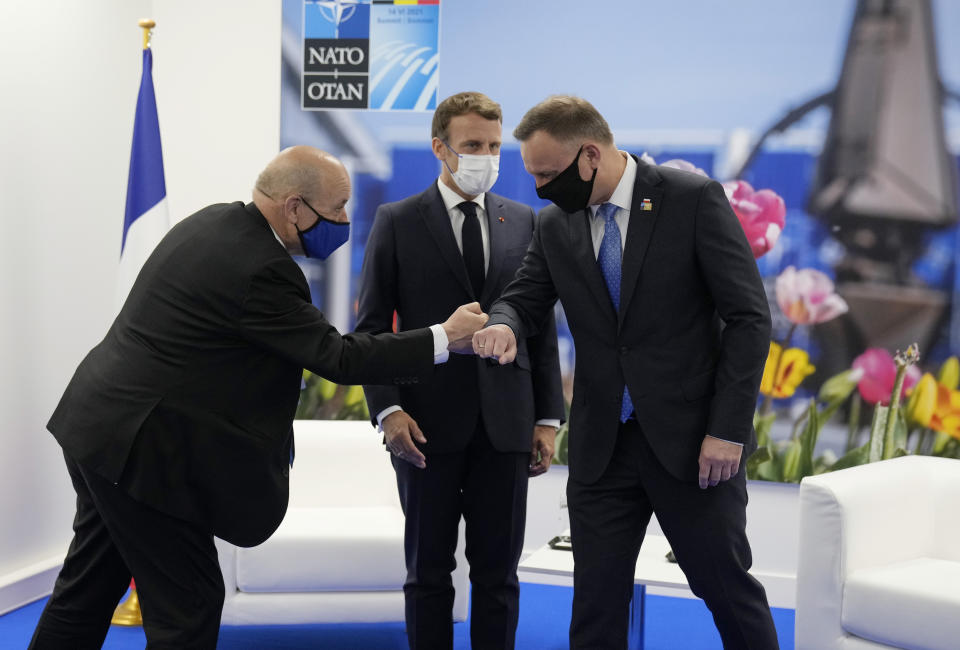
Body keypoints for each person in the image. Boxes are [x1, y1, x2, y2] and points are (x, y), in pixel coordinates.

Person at [29, 146, 488, 650]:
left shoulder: (214, 223)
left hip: (98, 430)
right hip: (142, 451)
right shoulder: (261, 269)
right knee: (190, 605)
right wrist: (444, 337)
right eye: (336, 208)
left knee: (87, 590)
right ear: (295, 207)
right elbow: (338, 357)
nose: (343, 220)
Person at [472, 96, 780, 649]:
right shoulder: (554, 225)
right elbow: (523, 296)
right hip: (602, 448)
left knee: (725, 589)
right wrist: (504, 324)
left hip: (694, 446)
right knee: (594, 607)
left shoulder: (691, 199)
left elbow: (749, 318)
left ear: (590, 154)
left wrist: (727, 429)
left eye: (548, 174)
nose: (540, 188)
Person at [355, 92, 564, 650]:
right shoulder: (397, 221)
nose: (487, 156)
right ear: (440, 149)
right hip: (423, 427)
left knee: (500, 575)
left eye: (495, 146)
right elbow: (372, 330)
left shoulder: (528, 223)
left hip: (507, 426)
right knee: (427, 574)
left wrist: (547, 418)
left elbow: (538, 329)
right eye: (473, 145)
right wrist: (388, 410)